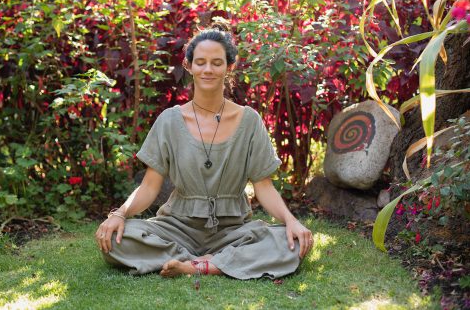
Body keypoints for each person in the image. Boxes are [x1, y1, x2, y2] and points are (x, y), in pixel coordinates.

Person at [95, 22, 313, 280]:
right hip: (176, 227)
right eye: (200, 62)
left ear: (229, 67)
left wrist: (290, 221)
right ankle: (215, 263)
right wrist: (118, 214)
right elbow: (150, 187)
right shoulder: (170, 120)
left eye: (217, 63)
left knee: (294, 243)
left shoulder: (249, 121)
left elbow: (263, 186)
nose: (208, 69)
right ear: (189, 65)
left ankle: (192, 265)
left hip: (233, 230)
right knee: (117, 239)